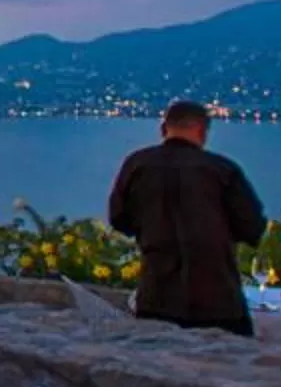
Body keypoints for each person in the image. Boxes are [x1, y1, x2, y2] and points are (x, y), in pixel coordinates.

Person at [106, 100, 264, 333]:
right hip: (218, 302)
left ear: (163, 129)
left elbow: (119, 218)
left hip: (157, 296)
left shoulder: (137, 165)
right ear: (202, 131)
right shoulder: (223, 171)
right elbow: (252, 228)